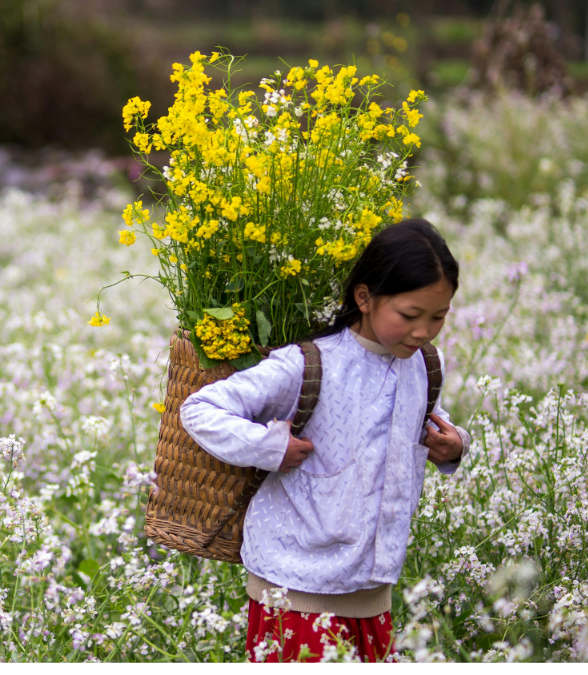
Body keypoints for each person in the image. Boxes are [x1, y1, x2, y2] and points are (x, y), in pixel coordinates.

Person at [180, 218, 470, 662]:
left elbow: (418, 417)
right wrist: (270, 448)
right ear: (364, 298)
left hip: (372, 592)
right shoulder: (308, 364)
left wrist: (453, 445)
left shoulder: (426, 365)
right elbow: (199, 410)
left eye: (438, 317)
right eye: (410, 316)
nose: (423, 331)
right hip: (294, 590)